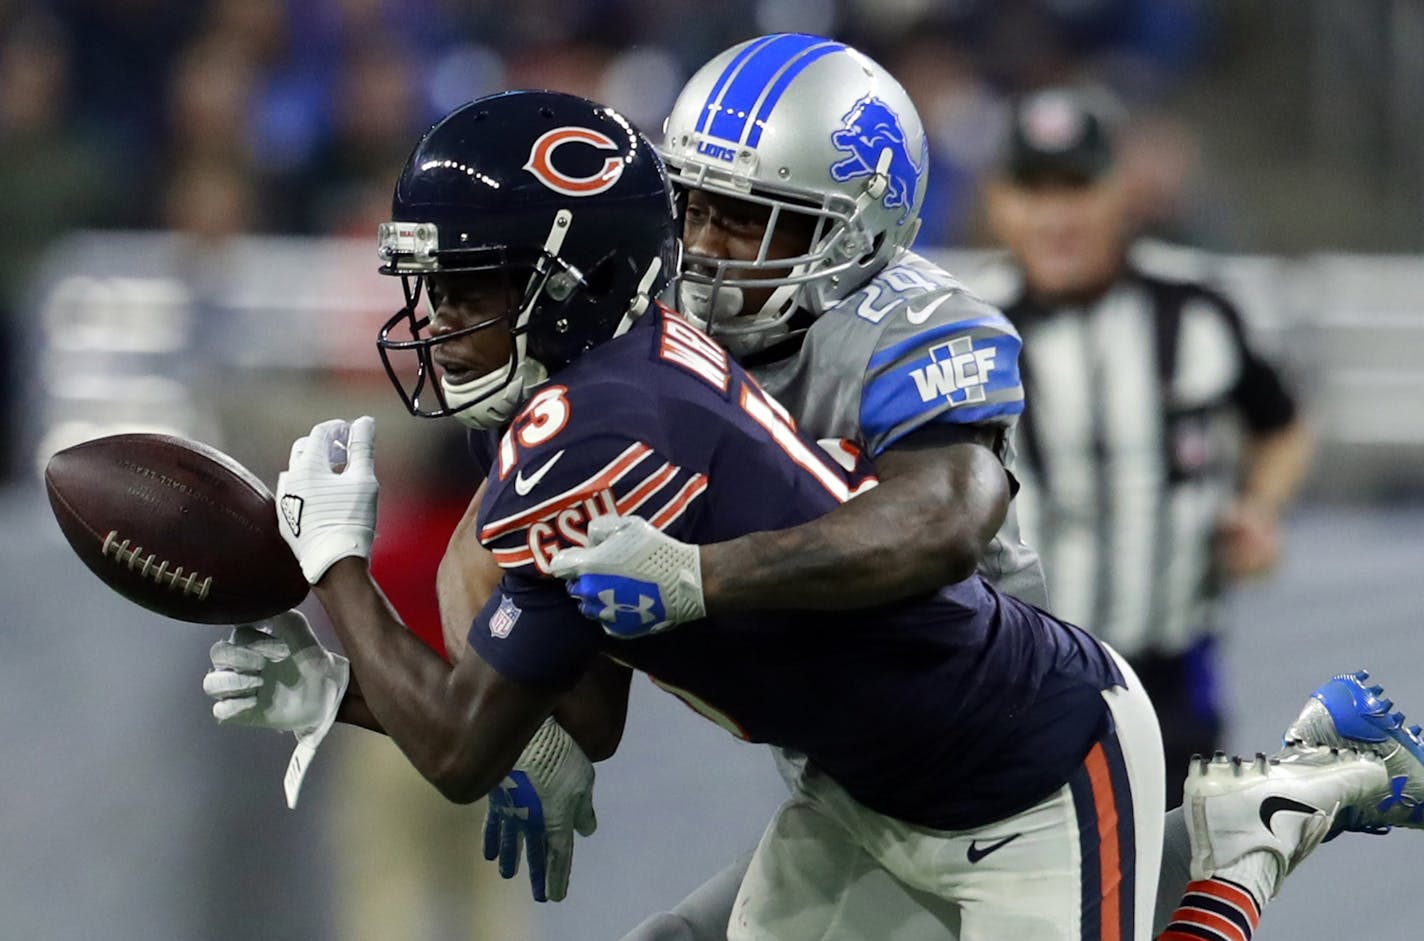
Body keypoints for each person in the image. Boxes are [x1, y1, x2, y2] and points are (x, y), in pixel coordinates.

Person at [213, 88, 1169, 940]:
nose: (707, 250)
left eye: (467, 282)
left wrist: (338, 569)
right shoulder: (593, 390)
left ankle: (1244, 833)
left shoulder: (653, 400)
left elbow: (945, 520)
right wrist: (360, 693)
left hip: (1027, 767)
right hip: (860, 787)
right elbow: (549, 679)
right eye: (696, 209)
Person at [976, 86, 1314, 806]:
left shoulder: (1196, 308)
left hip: (1169, 675)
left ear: (1119, 192)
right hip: (1019, 679)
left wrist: (1260, 508)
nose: (1056, 216)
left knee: (1170, 896)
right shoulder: (970, 335)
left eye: (1076, 188)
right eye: (1034, 190)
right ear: (1001, 202)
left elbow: (1281, 424)